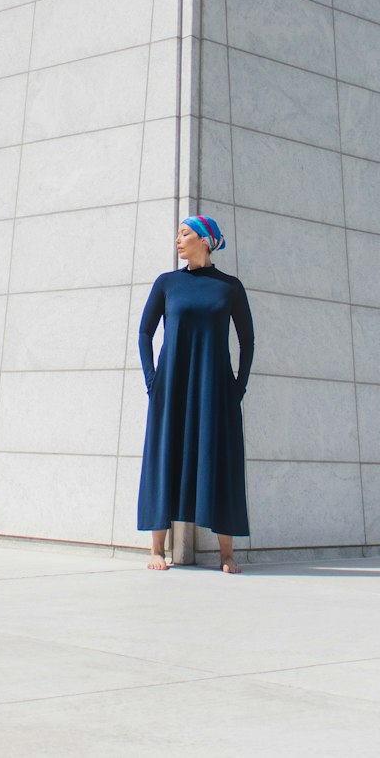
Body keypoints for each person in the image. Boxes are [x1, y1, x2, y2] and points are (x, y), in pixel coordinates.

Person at [137, 214, 254, 572]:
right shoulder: (167, 283)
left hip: (214, 388)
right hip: (171, 386)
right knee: (164, 456)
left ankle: (227, 554)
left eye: (185, 234)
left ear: (205, 240)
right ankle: (157, 549)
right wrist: (152, 381)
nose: (178, 240)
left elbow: (247, 340)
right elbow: (144, 333)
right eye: (177, 234)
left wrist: (237, 387)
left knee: (221, 458)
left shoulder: (229, 287)